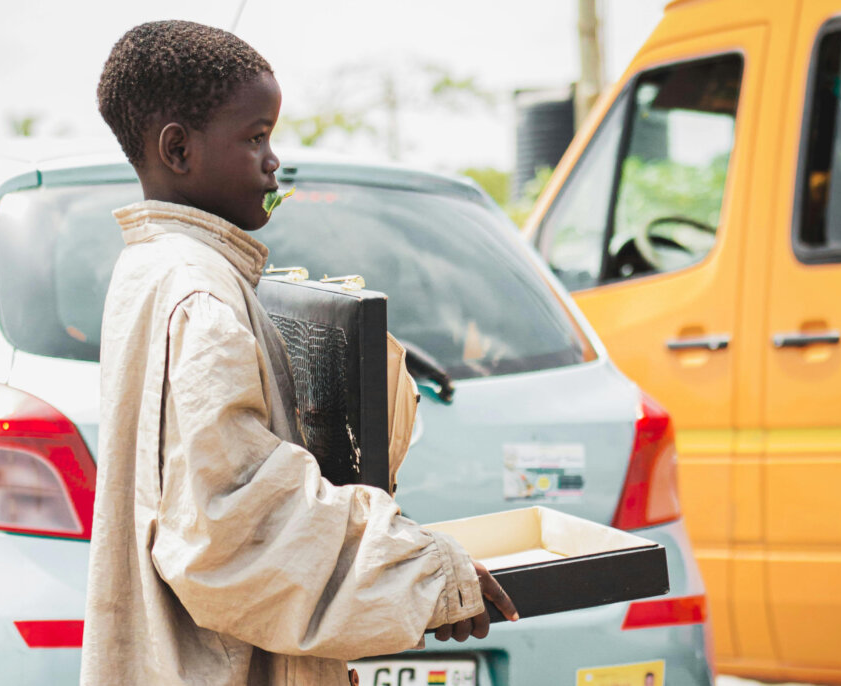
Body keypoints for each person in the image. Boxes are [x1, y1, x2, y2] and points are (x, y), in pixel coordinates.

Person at [80, 20, 517, 686]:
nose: (272, 161)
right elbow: (236, 524)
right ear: (178, 149)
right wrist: (428, 575)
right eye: (255, 137)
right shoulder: (201, 295)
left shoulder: (151, 267)